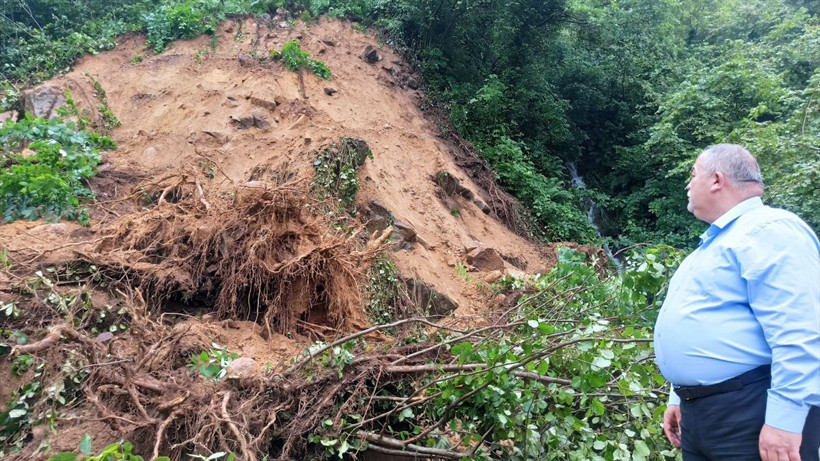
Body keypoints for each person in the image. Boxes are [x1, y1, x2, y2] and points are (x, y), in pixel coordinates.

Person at [653, 144, 820, 461]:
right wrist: (678, 395)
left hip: (750, 410)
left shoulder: (770, 230)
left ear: (716, 180)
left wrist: (784, 421)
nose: (688, 185)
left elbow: (801, 332)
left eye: (692, 175)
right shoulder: (715, 244)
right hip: (703, 413)